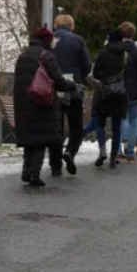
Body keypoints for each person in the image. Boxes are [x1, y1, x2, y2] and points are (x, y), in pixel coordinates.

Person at [14, 28, 77, 186]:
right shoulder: (46, 56)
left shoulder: (23, 55)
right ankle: (34, 173)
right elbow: (59, 81)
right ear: (48, 41)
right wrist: (72, 85)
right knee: (41, 138)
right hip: (41, 101)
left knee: (30, 137)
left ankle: (25, 171)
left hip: (23, 102)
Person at [51, 14, 92, 176]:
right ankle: (70, 152)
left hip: (53, 87)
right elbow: (86, 66)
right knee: (76, 126)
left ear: (56, 25)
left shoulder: (49, 39)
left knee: (56, 126)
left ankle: (55, 165)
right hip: (73, 87)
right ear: (71, 26)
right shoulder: (78, 40)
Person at [91, 29, 130, 169]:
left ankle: (102, 150)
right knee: (116, 127)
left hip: (105, 93)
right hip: (120, 94)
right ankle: (113, 158)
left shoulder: (103, 54)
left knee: (100, 123)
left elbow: (95, 73)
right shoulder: (126, 55)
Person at [119, 23, 137, 162]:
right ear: (133, 34)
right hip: (133, 90)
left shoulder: (115, 48)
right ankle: (130, 152)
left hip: (117, 89)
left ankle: (118, 150)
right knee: (134, 121)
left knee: (120, 120)